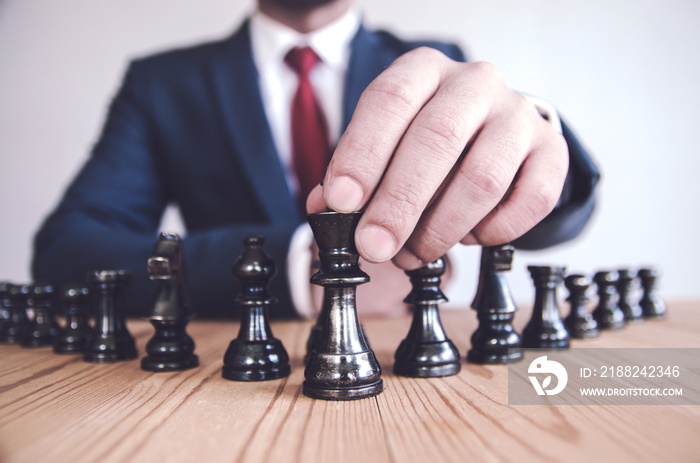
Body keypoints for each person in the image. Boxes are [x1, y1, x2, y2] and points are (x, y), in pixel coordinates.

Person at [32, 0, 599, 319]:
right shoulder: (161, 84)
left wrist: (537, 132)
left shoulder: (438, 62)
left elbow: (548, 211)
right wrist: (302, 265)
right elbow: (67, 254)